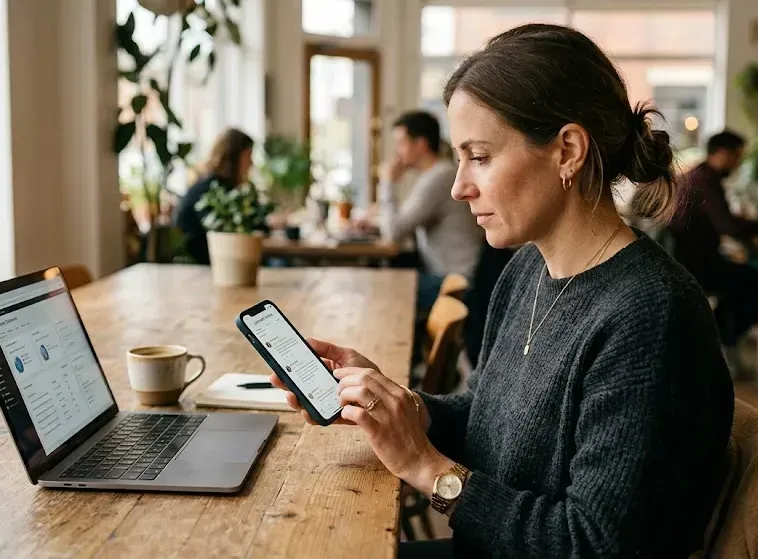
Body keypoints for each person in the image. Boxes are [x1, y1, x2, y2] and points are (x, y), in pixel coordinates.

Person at [271, 24, 734, 557]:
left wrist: (428, 468)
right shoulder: (526, 270)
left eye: (481, 156)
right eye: (459, 156)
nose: (458, 185)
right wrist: (400, 407)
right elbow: (490, 417)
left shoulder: (652, 316)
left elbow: (596, 544)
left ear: (567, 151)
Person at [666, 131, 758, 355]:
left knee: (745, 278)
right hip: (695, 265)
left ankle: (715, 336)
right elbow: (728, 226)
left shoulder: (698, 175)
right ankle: (719, 339)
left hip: (685, 261)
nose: (738, 163)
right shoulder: (705, 180)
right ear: (724, 154)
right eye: (737, 156)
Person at [375, 111, 484, 314]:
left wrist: (388, 182)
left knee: (380, 291)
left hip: (453, 282)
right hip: (444, 275)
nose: (397, 152)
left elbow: (392, 232)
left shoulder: (439, 177)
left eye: (401, 143)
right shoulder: (434, 175)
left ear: (421, 144)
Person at [175, 128, 255, 264]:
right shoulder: (214, 191)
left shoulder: (216, 185)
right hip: (198, 264)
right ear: (235, 158)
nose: (251, 163)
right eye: (248, 156)